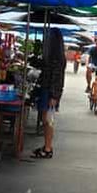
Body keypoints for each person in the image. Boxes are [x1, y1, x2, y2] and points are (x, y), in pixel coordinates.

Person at [32, 28, 66, 159]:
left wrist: (54, 96)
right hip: (48, 90)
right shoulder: (53, 57)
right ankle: (47, 146)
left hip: (50, 92)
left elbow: (58, 79)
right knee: (46, 120)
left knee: (48, 120)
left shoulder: (57, 59)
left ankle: (47, 148)